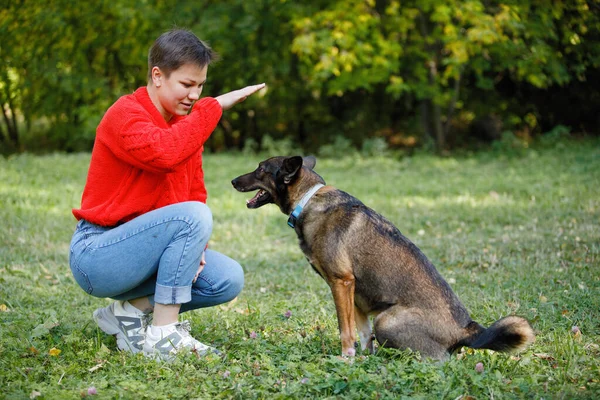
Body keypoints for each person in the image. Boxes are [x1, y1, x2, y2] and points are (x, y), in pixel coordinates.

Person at [69, 29, 265, 359]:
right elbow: (163, 154)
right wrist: (213, 106)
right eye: (187, 85)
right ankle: (163, 335)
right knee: (193, 215)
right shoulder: (125, 114)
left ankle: (127, 313)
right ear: (157, 76)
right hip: (98, 255)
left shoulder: (185, 126)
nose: (194, 95)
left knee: (226, 279)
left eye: (201, 86)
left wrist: (195, 246)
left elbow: (193, 192)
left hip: (144, 251)